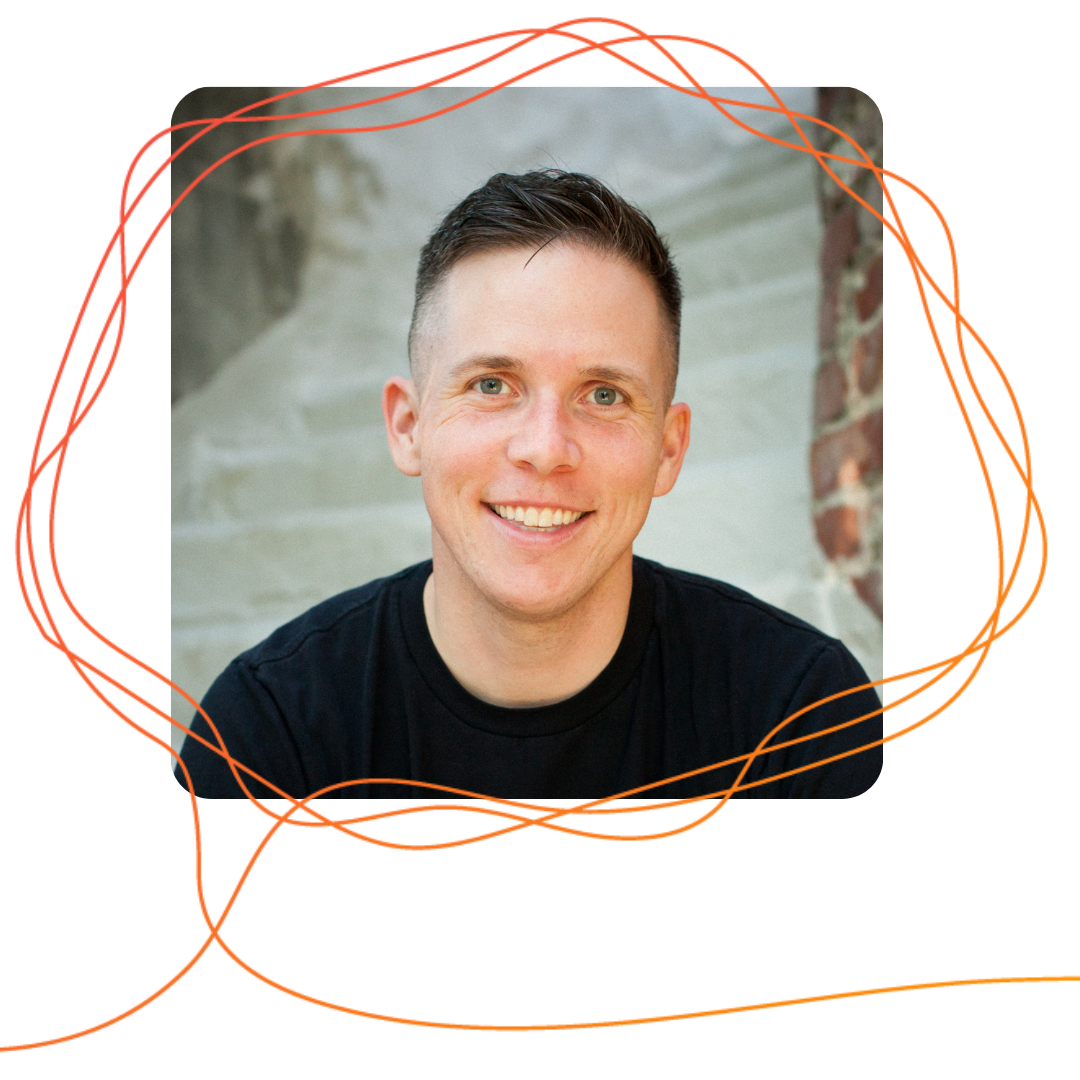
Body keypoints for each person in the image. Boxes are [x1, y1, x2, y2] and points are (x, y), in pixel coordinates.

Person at [176, 169, 883, 801]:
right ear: (408, 426)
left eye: (604, 395)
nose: (545, 449)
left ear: (668, 450)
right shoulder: (268, 739)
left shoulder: (800, 721)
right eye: (491, 384)